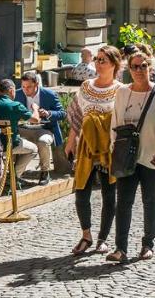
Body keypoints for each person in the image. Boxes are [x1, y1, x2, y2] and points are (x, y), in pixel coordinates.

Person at [107, 49, 155, 263]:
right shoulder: (122, 93)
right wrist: (113, 149)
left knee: (149, 201)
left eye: (142, 66)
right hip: (127, 156)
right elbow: (115, 124)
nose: (138, 70)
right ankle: (120, 248)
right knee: (123, 202)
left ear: (150, 68)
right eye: (134, 67)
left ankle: (147, 244)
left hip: (152, 156)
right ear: (129, 69)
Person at [65, 46, 122, 257]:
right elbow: (77, 117)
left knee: (109, 194)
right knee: (81, 192)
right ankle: (86, 234)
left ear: (114, 64)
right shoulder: (86, 86)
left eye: (103, 60)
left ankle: (103, 238)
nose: (98, 64)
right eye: (97, 59)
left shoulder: (120, 90)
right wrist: (70, 142)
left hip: (109, 149)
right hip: (85, 147)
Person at [15, 70, 65, 184]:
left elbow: (62, 113)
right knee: (13, 142)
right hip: (23, 129)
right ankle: (14, 174)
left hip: (45, 129)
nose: (25, 90)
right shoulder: (17, 94)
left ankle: (45, 172)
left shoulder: (49, 94)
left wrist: (48, 113)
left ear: (36, 84)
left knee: (43, 141)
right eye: (23, 87)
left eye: (29, 87)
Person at [0, 79, 42, 186]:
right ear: (11, 90)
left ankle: (10, 177)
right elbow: (35, 120)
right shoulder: (15, 105)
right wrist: (35, 109)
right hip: (10, 145)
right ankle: (14, 177)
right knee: (33, 149)